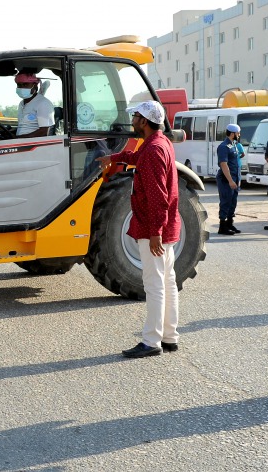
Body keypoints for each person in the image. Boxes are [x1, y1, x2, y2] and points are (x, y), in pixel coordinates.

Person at [98, 100, 180, 358]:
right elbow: (138, 158)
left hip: (153, 228)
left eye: (135, 116)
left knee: (154, 283)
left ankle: (151, 342)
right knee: (167, 280)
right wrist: (115, 157)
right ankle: (169, 336)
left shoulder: (154, 150)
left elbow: (158, 196)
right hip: (164, 227)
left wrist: (155, 231)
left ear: (144, 121)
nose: (132, 120)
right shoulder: (159, 143)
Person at [216, 124, 243, 234]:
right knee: (226, 202)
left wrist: (238, 179)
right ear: (232, 134)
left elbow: (236, 164)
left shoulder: (234, 145)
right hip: (226, 180)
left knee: (233, 202)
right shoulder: (223, 146)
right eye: (238, 133)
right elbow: (224, 164)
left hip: (235, 179)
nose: (239, 135)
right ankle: (222, 226)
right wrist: (230, 180)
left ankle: (230, 224)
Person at [14, 71, 54, 137]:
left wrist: (21, 138)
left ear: (35, 86)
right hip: (19, 143)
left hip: (33, 144)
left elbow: (44, 131)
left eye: (25, 84)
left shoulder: (43, 103)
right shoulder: (21, 104)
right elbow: (22, 127)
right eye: (19, 85)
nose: (22, 88)